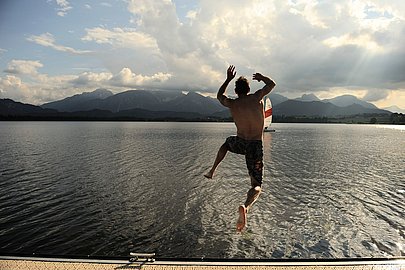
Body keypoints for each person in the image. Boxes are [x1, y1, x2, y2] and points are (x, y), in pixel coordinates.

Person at [204, 65, 276, 232]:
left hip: (240, 142)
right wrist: (262, 77)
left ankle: (212, 171)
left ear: (236, 91)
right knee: (257, 185)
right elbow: (272, 84)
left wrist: (228, 79)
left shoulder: (233, 103)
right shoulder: (257, 97)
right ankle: (245, 206)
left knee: (226, 144)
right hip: (255, 145)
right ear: (249, 89)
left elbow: (219, 96)